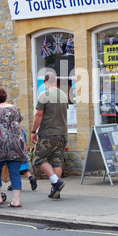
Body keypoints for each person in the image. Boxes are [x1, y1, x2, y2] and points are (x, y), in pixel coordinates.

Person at [0, 88, 27, 207]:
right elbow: (18, 121)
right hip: (15, 142)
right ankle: (16, 200)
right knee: (14, 172)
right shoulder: (13, 108)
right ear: (5, 97)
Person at [31, 71, 68, 199]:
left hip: (48, 134)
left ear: (45, 81)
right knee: (57, 161)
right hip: (63, 134)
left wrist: (33, 131)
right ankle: (55, 190)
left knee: (38, 159)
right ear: (56, 81)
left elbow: (39, 115)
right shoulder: (63, 95)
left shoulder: (44, 95)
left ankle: (56, 182)